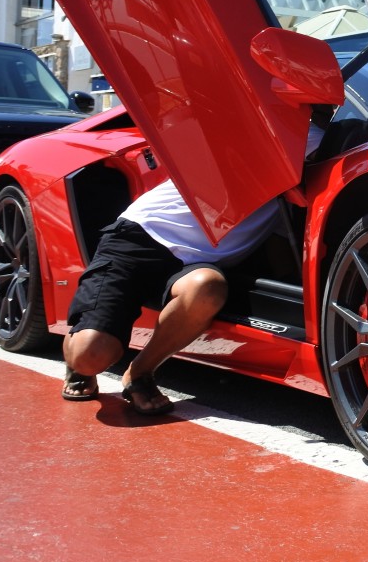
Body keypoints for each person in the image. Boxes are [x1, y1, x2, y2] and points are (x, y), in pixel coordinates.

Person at [62, 122, 325, 414]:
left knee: (208, 288)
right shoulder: (297, 135)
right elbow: (320, 147)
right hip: (140, 236)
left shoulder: (285, 204)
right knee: (89, 356)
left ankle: (140, 373)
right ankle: (78, 349)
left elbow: (281, 256)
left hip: (194, 264)